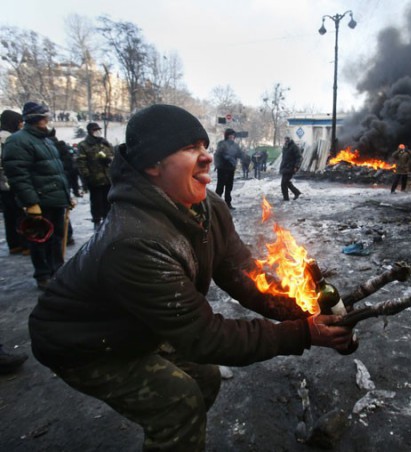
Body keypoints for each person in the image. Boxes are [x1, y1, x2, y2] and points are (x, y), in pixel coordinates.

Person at [28, 104, 354, 451]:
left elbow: (243, 274)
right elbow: (204, 337)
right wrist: (303, 334)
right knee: (178, 404)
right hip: (83, 342)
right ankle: (174, 430)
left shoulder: (208, 205)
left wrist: (304, 310)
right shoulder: (133, 242)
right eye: (189, 148)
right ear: (152, 164)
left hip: (137, 323)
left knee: (205, 378)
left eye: (203, 145)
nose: (207, 157)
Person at [3, 102, 71, 290]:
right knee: (40, 239)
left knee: (56, 237)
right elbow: (18, 175)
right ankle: (43, 274)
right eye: (43, 117)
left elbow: (57, 171)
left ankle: (57, 270)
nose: (47, 120)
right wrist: (31, 202)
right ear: (34, 119)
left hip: (55, 198)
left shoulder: (46, 141)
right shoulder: (18, 141)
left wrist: (67, 195)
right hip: (40, 200)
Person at [0, 109, 28, 255]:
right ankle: (25, 244)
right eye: (19, 122)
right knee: (20, 215)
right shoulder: (11, 139)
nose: (21, 125)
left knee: (9, 216)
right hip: (12, 183)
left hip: (2, 186)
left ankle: (14, 244)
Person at [76, 122, 113, 229]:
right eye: (94, 130)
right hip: (95, 179)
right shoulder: (84, 145)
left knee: (108, 201)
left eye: (98, 129)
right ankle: (97, 221)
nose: (97, 131)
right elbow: (81, 162)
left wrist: (108, 160)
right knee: (96, 202)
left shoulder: (105, 143)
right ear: (89, 131)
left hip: (108, 179)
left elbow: (113, 155)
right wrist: (87, 176)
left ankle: (108, 221)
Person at [214, 128, 242, 209]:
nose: (232, 138)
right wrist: (219, 164)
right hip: (222, 169)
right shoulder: (221, 144)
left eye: (233, 136)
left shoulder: (235, 145)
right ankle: (216, 205)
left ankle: (228, 203)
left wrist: (245, 158)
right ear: (226, 136)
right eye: (230, 136)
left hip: (231, 169)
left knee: (229, 187)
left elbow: (239, 154)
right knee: (220, 187)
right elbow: (218, 154)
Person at [280, 136, 302, 201]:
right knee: (286, 182)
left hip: (291, 167)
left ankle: (286, 198)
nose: (286, 140)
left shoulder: (294, 147)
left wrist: (296, 166)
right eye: (285, 139)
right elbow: (284, 158)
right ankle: (296, 192)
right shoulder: (285, 147)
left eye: (287, 139)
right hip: (285, 167)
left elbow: (299, 158)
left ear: (290, 139)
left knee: (284, 183)